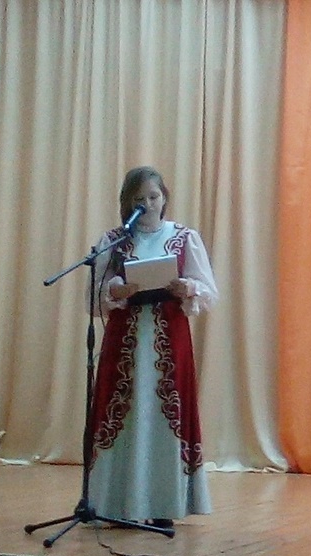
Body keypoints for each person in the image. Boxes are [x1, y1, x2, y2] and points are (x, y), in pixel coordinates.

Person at [87, 166, 218, 528]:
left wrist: (187, 288)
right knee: (124, 415)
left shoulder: (184, 238)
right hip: (124, 342)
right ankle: (115, 503)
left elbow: (208, 291)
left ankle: (163, 505)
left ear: (164, 198)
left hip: (169, 342)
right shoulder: (113, 241)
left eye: (154, 196)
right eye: (139, 199)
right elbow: (93, 298)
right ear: (127, 203)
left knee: (164, 416)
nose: (148, 204)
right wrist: (115, 289)